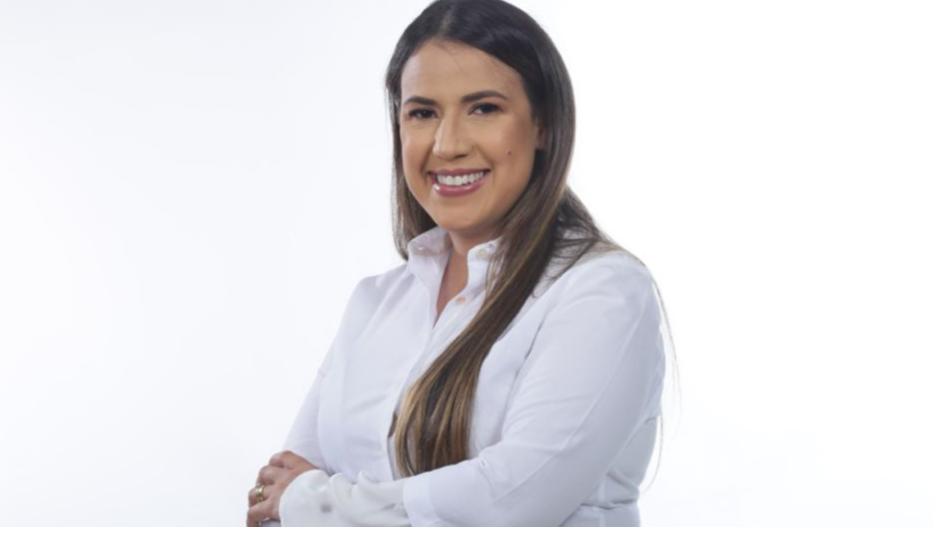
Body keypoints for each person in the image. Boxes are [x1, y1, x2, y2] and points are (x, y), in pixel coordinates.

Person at [246, 0, 674, 526]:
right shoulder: (376, 302)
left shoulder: (601, 292)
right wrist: (306, 500)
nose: (447, 145)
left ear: (543, 125)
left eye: (484, 109)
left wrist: (318, 501)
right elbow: (277, 496)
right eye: (423, 113)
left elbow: (512, 502)